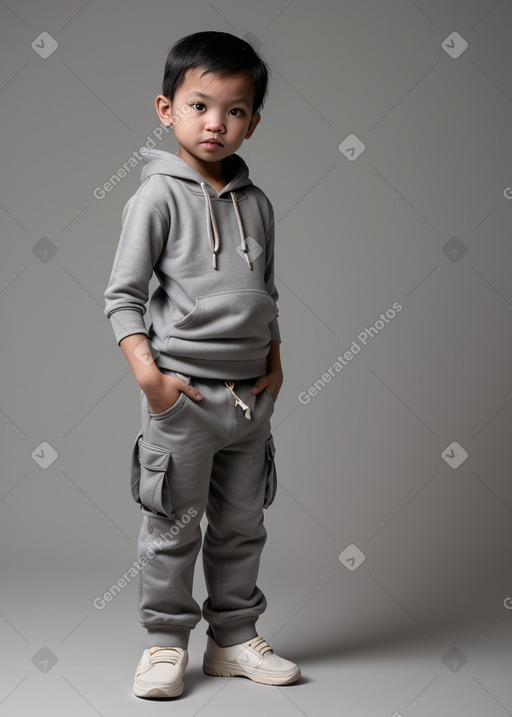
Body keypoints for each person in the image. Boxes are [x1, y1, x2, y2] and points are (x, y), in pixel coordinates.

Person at [103, 30, 301, 699]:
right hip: (182, 398)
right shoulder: (156, 198)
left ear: (253, 121)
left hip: (251, 400)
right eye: (199, 105)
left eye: (235, 109)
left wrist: (275, 364)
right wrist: (152, 380)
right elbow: (122, 297)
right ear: (167, 109)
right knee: (171, 527)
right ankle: (164, 643)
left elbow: (267, 295)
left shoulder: (260, 205)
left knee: (244, 523)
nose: (216, 122)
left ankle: (234, 639)